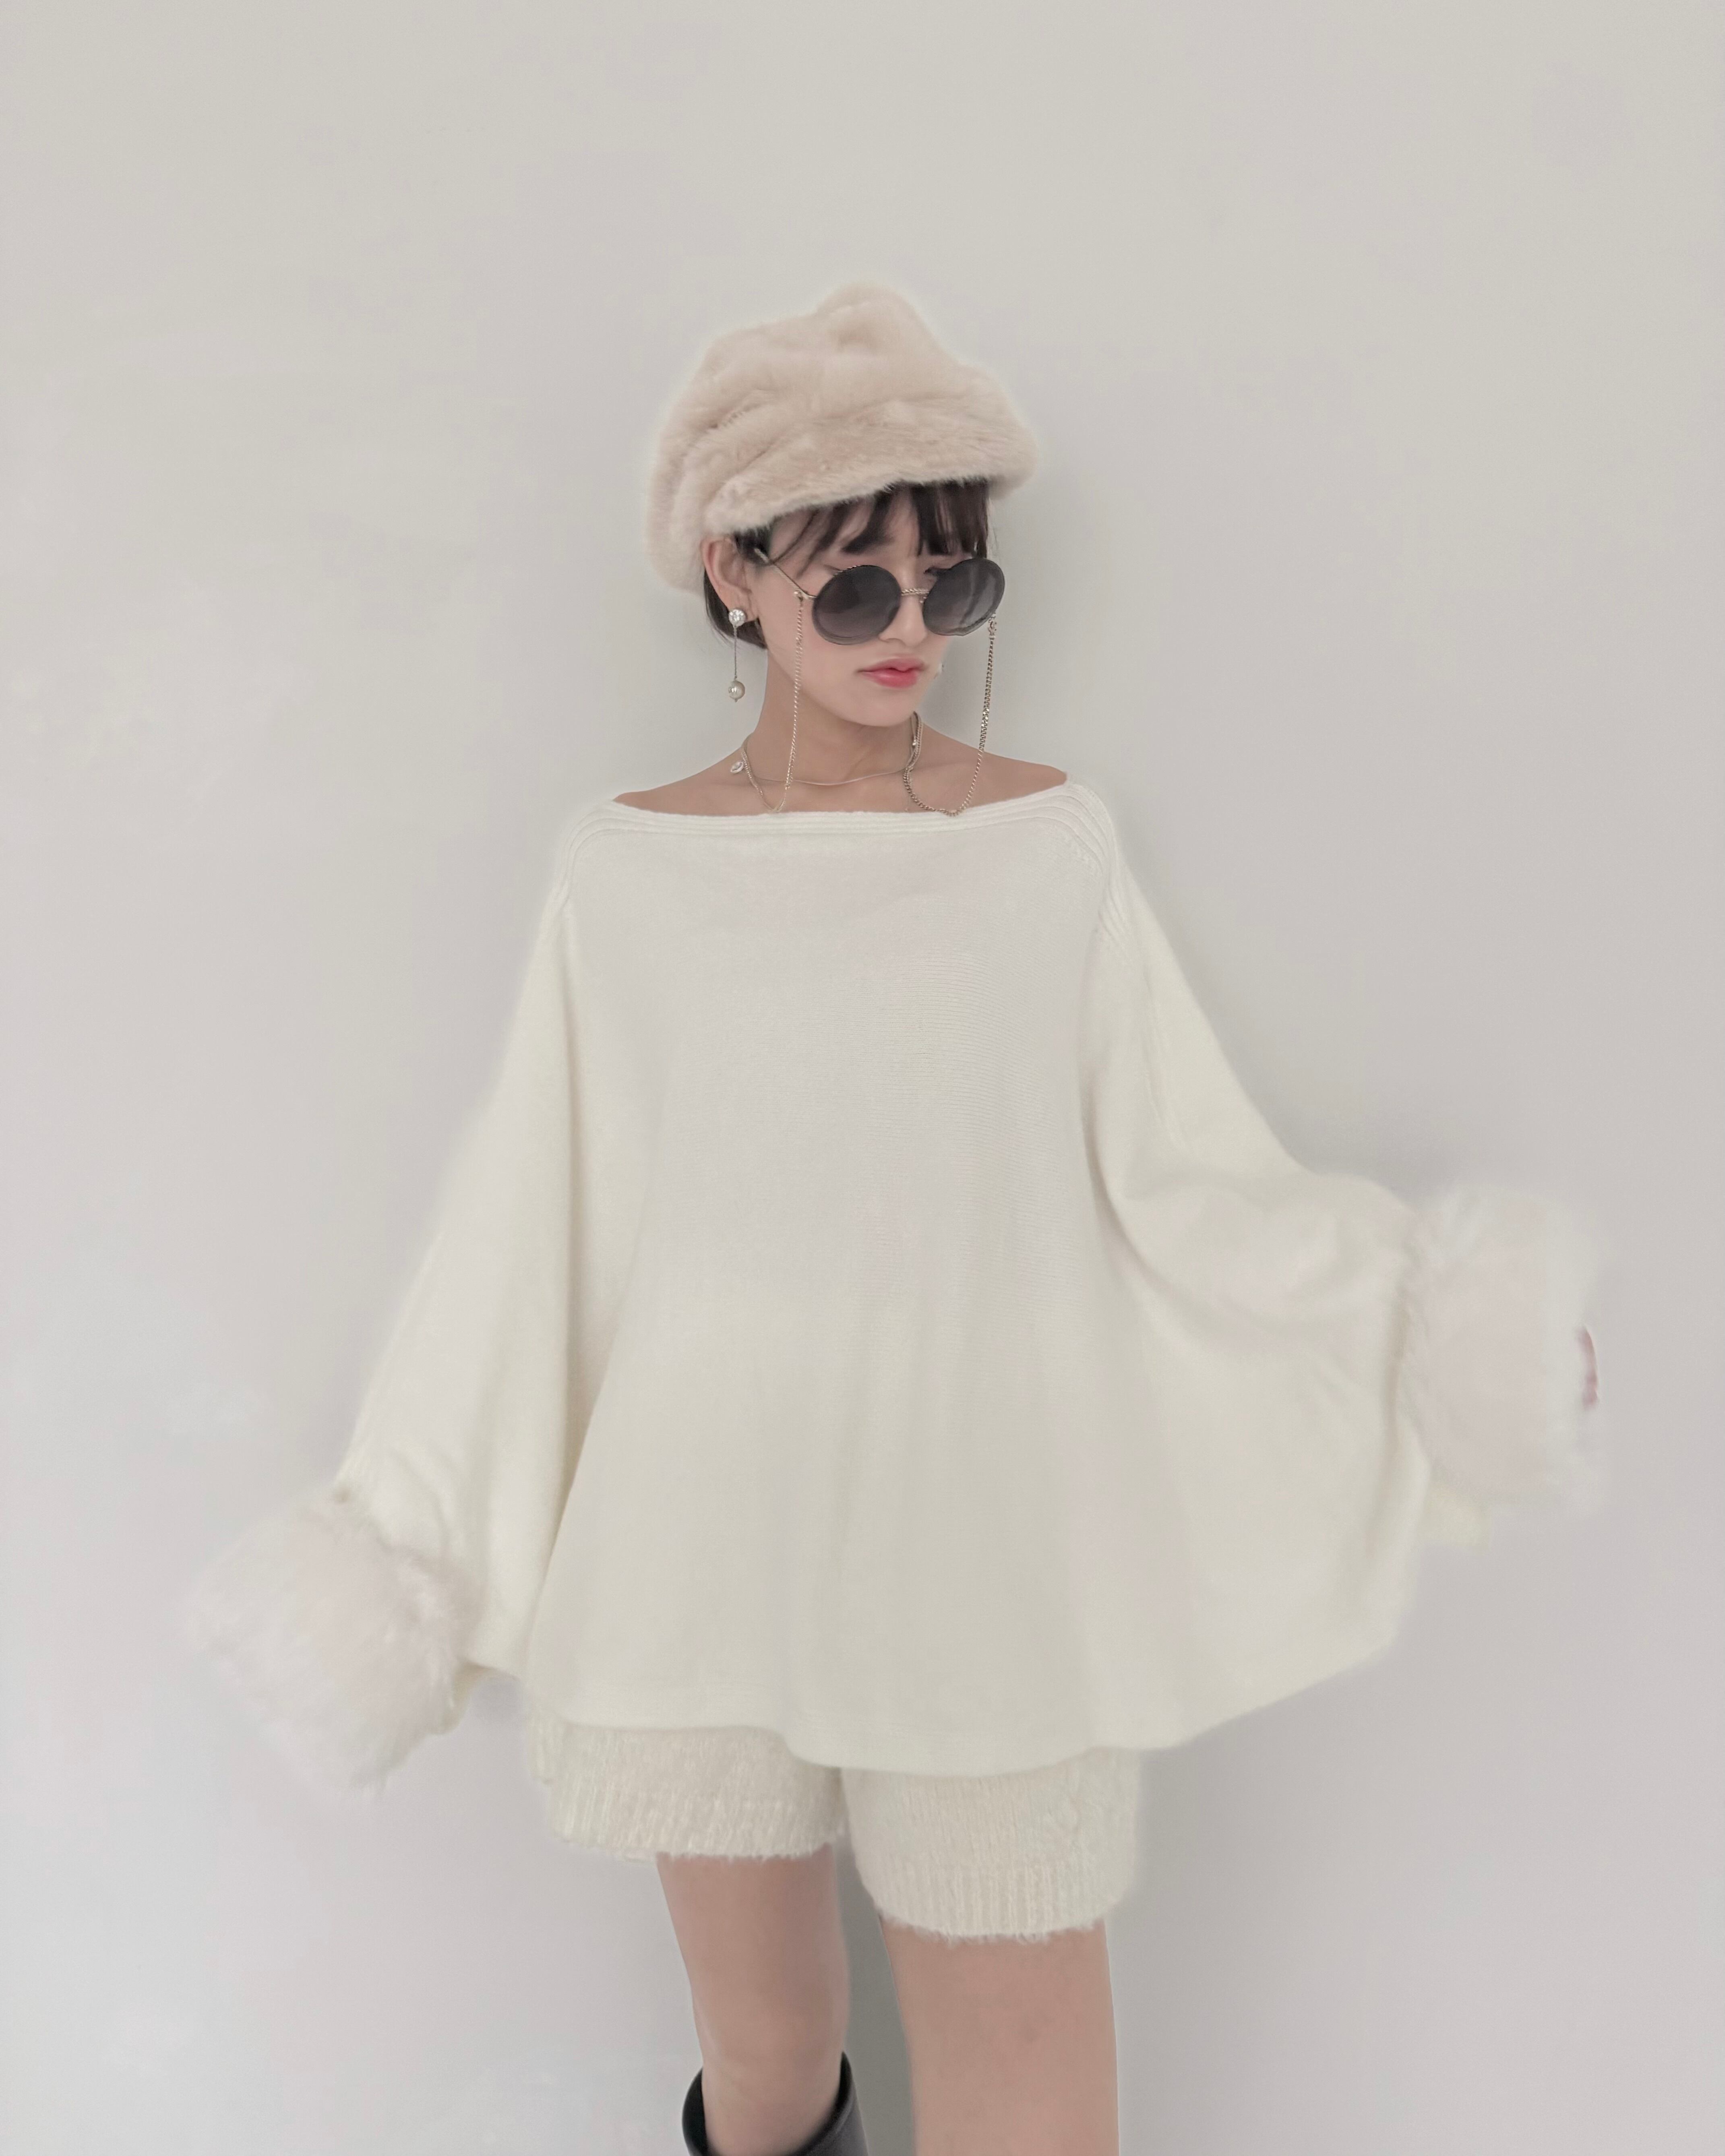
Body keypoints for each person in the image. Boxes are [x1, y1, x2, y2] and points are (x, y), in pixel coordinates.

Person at [183, 282, 1608, 2156]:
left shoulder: (1048, 851)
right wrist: (406, 1532)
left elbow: (1187, 1182)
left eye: (955, 581)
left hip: (982, 1530)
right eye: (857, 587)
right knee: (771, 2056)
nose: (914, 631)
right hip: (705, 1530)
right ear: (733, 572)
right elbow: (528, 1236)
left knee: (1033, 2083)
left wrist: (1424, 1334)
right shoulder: (626, 874)